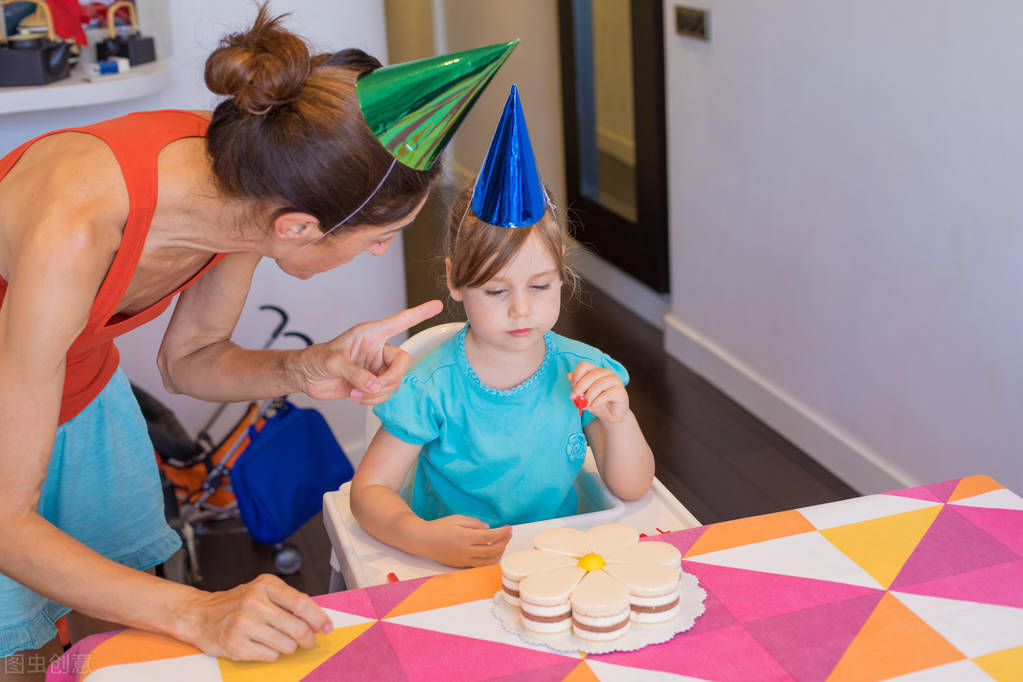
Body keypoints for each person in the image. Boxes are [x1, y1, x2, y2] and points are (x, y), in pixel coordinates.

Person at [0, 4, 515, 673]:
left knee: (120, 641)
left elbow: (190, 362)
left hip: (81, 388)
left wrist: (310, 365)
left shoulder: (252, 186)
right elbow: (7, 522)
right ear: (299, 227)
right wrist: (199, 611)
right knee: (28, 653)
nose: (375, 254)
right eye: (379, 238)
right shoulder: (76, 229)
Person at [350, 86, 655, 569]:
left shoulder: (584, 373)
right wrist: (420, 536)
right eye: (495, 291)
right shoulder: (431, 386)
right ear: (455, 280)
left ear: (562, 277)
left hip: (557, 559)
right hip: (448, 566)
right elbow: (369, 491)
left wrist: (620, 421)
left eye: (539, 287)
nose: (520, 310)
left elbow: (632, 487)